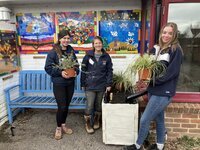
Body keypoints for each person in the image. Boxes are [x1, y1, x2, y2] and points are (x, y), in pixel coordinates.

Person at [123, 22, 183, 150]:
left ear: (174, 35)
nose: (166, 35)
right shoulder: (157, 48)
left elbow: (172, 72)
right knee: (159, 119)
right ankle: (160, 146)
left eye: (170, 33)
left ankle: (137, 146)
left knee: (144, 120)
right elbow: (147, 65)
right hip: (153, 90)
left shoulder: (175, 50)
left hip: (163, 91)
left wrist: (152, 80)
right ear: (161, 33)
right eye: (164, 32)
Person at [44, 30, 79, 140]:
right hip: (59, 84)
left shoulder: (71, 50)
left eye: (68, 38)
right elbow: (48, 68)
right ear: (59, 39)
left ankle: (63, 124)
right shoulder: (53, 52)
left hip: (70, 83)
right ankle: (58, 128)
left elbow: (76, 64)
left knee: (66, 105)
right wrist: (60, 73)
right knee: (62, 106)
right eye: (64, 38)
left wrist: (76, 71)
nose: (66, 40)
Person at [81, 36, 113, 134]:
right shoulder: (88, 56)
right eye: (96, 43)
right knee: (90, 105)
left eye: (99, 43)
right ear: (93, 45)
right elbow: (83, 70)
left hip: (101, 85)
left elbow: (109, 71)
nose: (98, 45)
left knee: (99, 105)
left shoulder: (106, 56)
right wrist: (83, 83)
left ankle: (96, 120)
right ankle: (87, 123)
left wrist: (109, 84)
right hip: (90, 85)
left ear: (102, 44)